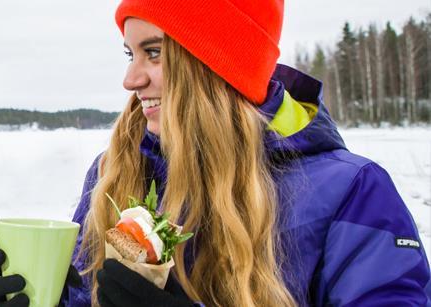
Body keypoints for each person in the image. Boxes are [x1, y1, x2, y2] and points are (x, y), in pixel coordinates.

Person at [66, 0, 431, 306]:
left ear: (220, 64)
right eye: (131, 54)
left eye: (155, 53)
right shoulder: (116, 173)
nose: (131, 79)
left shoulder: (352, 193)